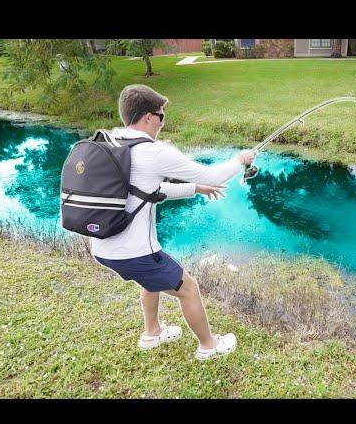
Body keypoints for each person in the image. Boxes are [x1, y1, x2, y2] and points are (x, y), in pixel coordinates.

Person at [90, 84, 256, 360]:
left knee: (150, 281)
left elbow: (148, 191)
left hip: (102, 247)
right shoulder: (153, 152)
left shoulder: (112, 142)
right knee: (188, 288)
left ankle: (152, 332)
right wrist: (241, 160)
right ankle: (209, 346)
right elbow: (213, 175)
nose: (161, 124)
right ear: (148, 117)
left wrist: (195, 189)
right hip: (133, 252)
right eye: (161, 116)